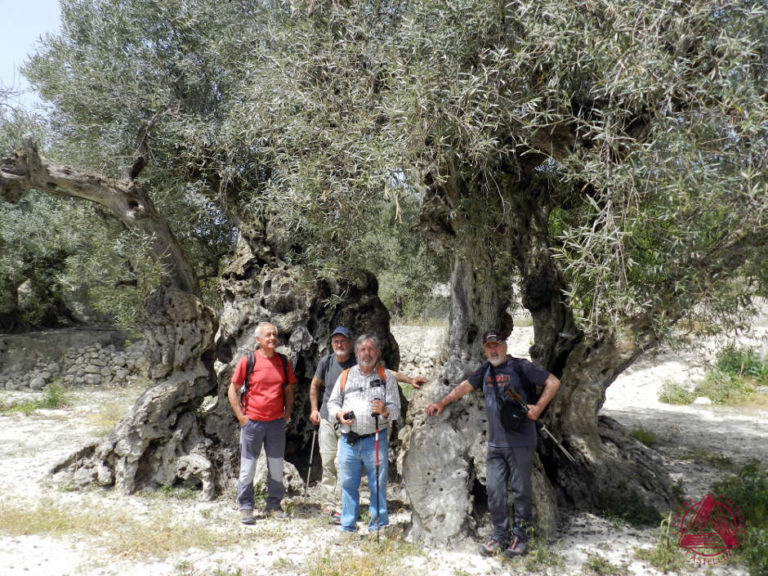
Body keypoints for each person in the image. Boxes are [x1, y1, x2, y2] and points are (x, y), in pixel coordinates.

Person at [426, 328, 560, 557]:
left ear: (505, 346)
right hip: (495, 444)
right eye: (489, 346)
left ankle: (521, 537)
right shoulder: (485, 371)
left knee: (521, 491)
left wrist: (538, 408)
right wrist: (442, 402)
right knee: (495, 490)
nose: (493, 349)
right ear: (484, 349)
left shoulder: (520, 367)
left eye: (497, 345)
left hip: (520, 442)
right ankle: (499, 535)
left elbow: (553, 382)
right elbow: (464, 387)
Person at [309, 326, 426, 524]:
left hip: (367, 433)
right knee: (329, 463)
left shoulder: (363, 365)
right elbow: (315, 385)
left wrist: (409, 380)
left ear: (350, 344)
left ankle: (359, 514)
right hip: (331, 420)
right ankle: (332, 507)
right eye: (336, 341)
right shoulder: (328, 363)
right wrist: (317, 410)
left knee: (346, 468)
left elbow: (388, 374)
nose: (339, 344)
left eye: (343, 341)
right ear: (332, 344)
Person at [326, 334, 401, 534]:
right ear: (356, 352)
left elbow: (396, 410)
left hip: (375, 439)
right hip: (349, 439)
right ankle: (348, 525)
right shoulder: (346, 375)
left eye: (370, 349)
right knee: (348, 484)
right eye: (362, 350)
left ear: (377, 352)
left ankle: (378, 525)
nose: (366, 354)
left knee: (378, 484)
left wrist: (385, 410)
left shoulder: (387, 377)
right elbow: (332, 403)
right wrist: (339, 414)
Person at [228, 322, 297, 525]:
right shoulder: (248, 360)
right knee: (248, 466)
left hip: (275, 423)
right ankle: (246, 506)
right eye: (268, 335)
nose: (273, 338)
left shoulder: (283, 362)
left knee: (276, 466)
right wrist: (241, 417)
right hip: (253, 423)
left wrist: (287, 414)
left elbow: (289, 390)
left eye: (275, 334)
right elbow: (232, 389)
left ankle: (274, 504)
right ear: (257, 340)